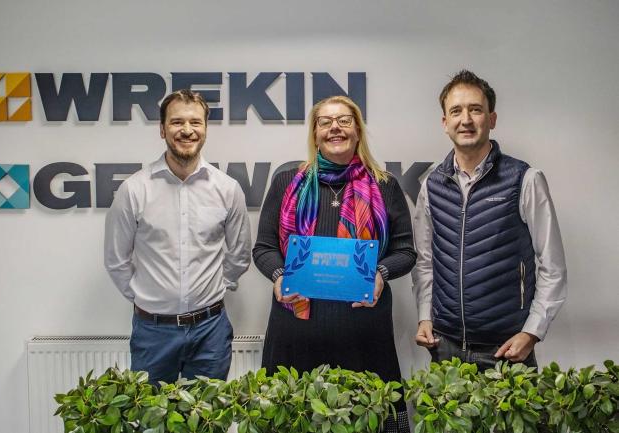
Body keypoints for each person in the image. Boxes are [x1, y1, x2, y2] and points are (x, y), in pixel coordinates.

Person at [253, 95, 416, 433]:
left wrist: (381, 274)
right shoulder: (287, 183)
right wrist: (280, 275)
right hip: (295, 333)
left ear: (358, 130)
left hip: (363, 334)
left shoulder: (384, 186)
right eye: (325, 122)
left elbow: (405, 251)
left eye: (344, 120)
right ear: (315, 134)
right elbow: (265, 248)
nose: (334, 128)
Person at [412, 70, 567, 369]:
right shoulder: (431, 184)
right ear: (445, 123)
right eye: (456, 111)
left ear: (491, 119)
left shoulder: (525, 178)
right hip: (445, 349)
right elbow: (425, 261)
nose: (466, 119)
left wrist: (532, 332)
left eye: (476, 109)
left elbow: (553, 266)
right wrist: (425, 316)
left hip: (506, 350)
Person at [104, 89, 252, 385]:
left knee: (210, 420)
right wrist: (149, 298)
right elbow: (116, 260)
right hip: (153, 332)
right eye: (176, 122)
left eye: (195, 123)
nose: (187, 130)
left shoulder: (227, 189)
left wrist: (216, 288)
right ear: (162, 129)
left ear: (205, 129)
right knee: (151, 421)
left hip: (210, 331)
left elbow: (239, 254)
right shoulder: (135, 189)